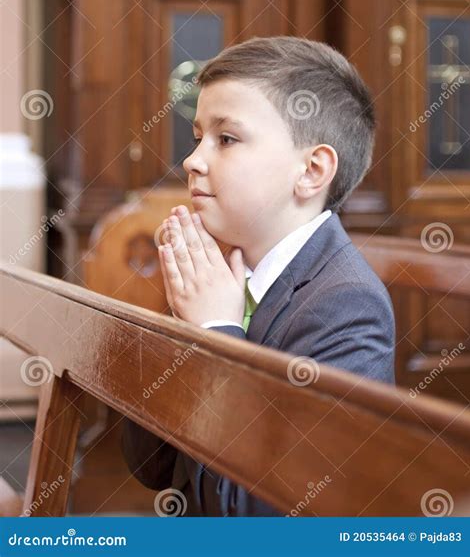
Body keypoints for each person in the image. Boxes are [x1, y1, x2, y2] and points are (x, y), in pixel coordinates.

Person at [122, 36, 395, 516]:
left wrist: (217, 337)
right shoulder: (222, 276)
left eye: (226, 139)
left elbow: (266, 518)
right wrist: (184, 323)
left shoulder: (347, 307)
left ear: (311, 171)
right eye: (197, 137)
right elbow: (152, 467)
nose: (192, 160)